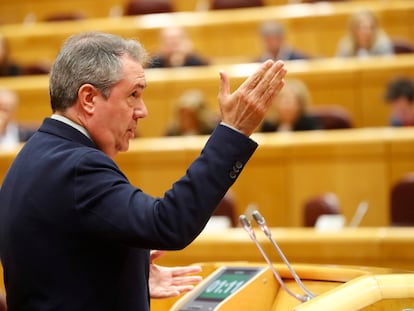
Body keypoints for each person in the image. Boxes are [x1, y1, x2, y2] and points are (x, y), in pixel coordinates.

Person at [0, 31, 287, 311]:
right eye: (133, 95)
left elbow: (59, 266)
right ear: (88, 98)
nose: (142, 111)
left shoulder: (33, 155)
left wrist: (125, 278)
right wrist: (233, 132)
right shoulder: (79, 166)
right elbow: (169, 223)